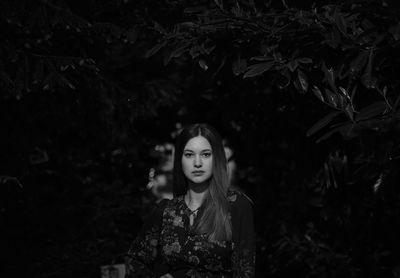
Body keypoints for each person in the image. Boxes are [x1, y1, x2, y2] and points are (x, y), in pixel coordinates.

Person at [125, 123, 255, 278]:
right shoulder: (166, 210)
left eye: (206, 154)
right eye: (189, 154)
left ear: (217, 158)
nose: (197, 163)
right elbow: (134, 262)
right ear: (179, 159)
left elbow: (245, 271)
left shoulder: (237, 206)